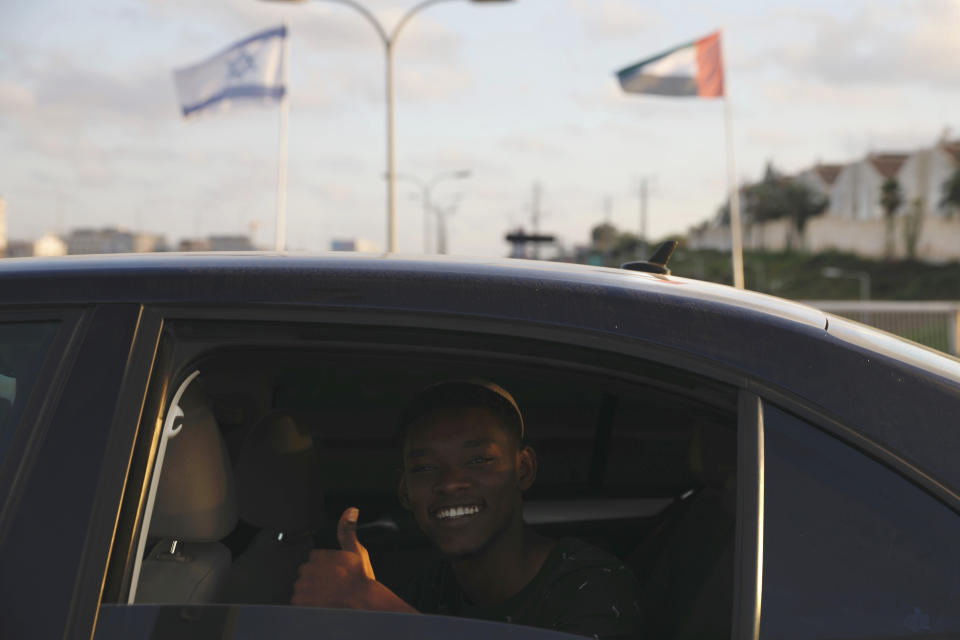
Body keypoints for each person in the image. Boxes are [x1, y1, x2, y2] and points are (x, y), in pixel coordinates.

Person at [292, 380, 643, 639]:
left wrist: (381, 612)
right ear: (405, 491)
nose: (449, 483)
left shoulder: (591, 586)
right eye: (426, 468)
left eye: (478, 460)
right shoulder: (432, 588)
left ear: (524, 469)